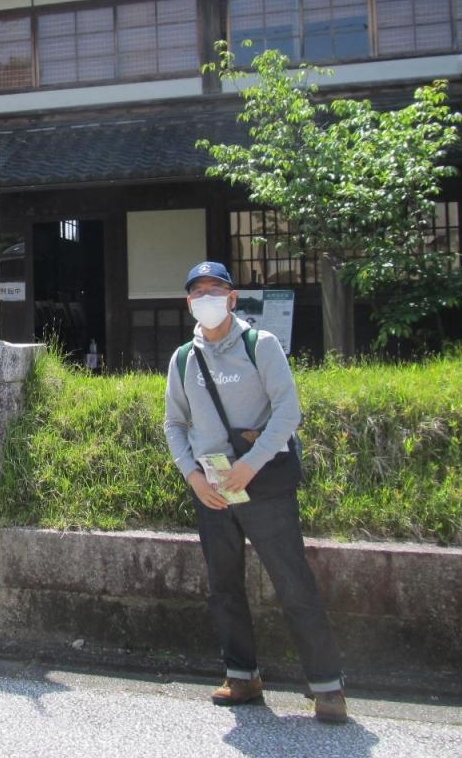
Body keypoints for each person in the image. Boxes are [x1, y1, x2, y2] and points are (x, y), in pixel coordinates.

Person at [163, 261, 346, 724]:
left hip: (263, 481)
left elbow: (288, 412)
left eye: (215, 289)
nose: (206, 297)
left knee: (293, 582)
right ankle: (241, 676)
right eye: (198, 291)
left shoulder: (259, 345)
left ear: (232, 297)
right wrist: (193, 477)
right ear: (189, 303)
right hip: (212, 488)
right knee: (223, 586)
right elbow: (174, 423)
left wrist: (250, 465)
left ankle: (327, 686)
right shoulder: (183, 358)